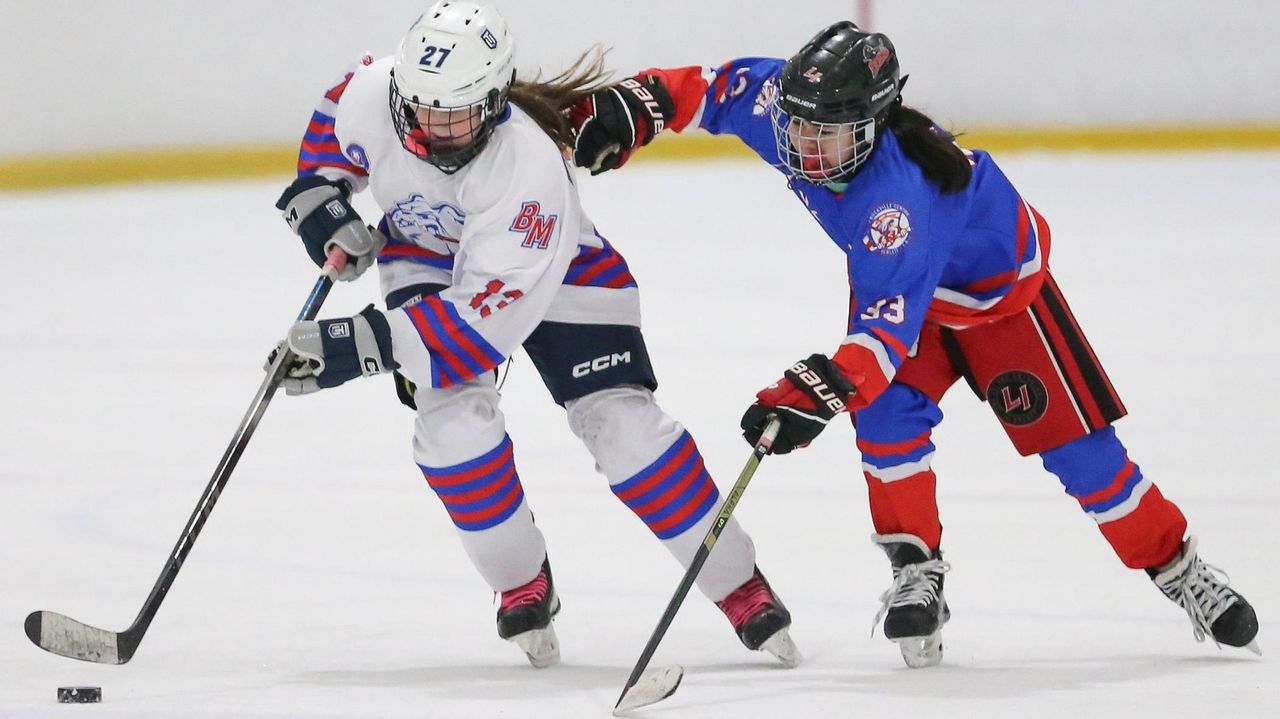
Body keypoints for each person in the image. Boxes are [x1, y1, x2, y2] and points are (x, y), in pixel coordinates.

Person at [567, 20, 1260, 667]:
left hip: (998, 308)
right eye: (799, 126)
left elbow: (881, 336)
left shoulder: (894, 205)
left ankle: (1177, 564)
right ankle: (915, 570)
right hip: (906, 303)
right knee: (888, 432)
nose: (805, 146)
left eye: (827, 134)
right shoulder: (787, 108)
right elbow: (715, 90)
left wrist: (816, 392)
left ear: (871, 128)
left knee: (1085, 459)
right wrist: (638, 108)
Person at [268, 1, 800, 668]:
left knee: (624, 429)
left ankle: (737, 583)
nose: (434, 128)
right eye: (422, 108)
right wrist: (321, 199)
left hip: (557, 269)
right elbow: (330, 138)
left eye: (455, 114)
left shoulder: (529, 170)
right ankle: (521, 581)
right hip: (428, 256)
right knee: (452, 430)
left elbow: (473, 332)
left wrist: (355, 344)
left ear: (493, 101)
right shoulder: (376, 88)